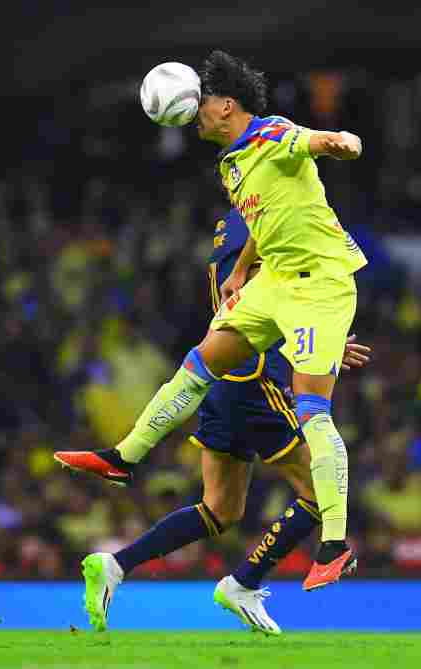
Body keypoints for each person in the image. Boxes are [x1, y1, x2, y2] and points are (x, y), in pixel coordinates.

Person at [55, 49, 368, 590]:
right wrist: (242, 270)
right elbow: (264, 220)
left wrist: (341, 142)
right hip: (274, 284)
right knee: (200, 361)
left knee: (313, 411)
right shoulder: (231, 164)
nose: (196, 114)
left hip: (319, 283)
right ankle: (123, 457)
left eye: (203, 105)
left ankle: (335, 545)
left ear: (227, 105)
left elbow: (317, 140)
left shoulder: (272, 134)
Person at [76, 209, 371, 634]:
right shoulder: (277, 212)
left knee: (220, 509)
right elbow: (267, 289)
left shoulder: (230, 225)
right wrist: (316, 339)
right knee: (318, 492)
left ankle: (116, 566)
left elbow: (253, 293)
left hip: (223, 376)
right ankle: (244, 583)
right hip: (256, 376)